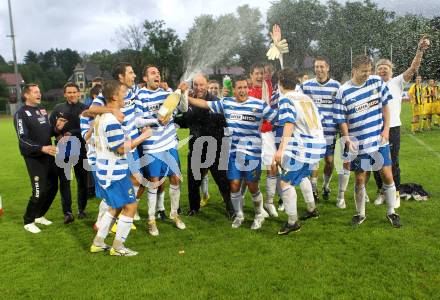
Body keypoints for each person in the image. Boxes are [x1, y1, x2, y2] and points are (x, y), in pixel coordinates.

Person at [188, 77, 277, 230]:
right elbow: (204, 104)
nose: (242, 90)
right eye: (239, 88)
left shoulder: (258, 104)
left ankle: (258, 214)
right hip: (233, 153)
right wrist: (184, 96)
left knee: (252, 186)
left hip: (252, 153)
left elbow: (277, 119)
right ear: (234, 90)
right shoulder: (226, 103)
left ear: (248, 89)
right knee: (234, 185)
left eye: (244, 87)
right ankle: (239, 215)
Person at [334, 55, 401, 228]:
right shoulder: (343, 90)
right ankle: (360, 214)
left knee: (387, 175)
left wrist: (386, 130)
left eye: (369, 71)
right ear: (354, 70)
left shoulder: (376, 82)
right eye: (364, 71)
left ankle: (392, 212)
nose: (367, 74)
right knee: (360, 179)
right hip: (359, 144)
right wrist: (347, 137)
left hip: (378, 141)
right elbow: (341, 118)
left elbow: (386, 106)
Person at [90, 80, 152, 256]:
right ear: (115, 96)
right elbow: (121, 148)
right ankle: (118, 247)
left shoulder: (103, 118)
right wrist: (143, 136)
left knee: (116, 207)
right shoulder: (110, 120)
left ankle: (98, 242)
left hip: (107, 170)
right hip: (114, 172)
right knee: (130, 207)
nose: (126, 95)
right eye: (123, 92)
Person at [373, 37, 429, 208]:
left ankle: (395, 192)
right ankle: (382, 192)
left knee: (393, 161)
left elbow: (413, 68)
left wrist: (419, 50)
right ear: (376, 71)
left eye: (386, 68)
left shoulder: (397, 81)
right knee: (376, 161)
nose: (383, 71)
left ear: (391, 70)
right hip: (374, 128)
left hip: (393, 127)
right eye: (380, 68)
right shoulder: (371, 84)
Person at [86, 62, 143, 230]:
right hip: (118, 146)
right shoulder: (110, 92)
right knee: (117, 185)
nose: (134, 76)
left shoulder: (132, 91)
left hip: (131, 144)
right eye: (131, 73)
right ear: (121, 76)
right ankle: (102, 220)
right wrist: (111, 111)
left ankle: (124, 214)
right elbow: (91, 110)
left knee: (135, 179)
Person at [136, 64, 187, 236]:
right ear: (145, 78)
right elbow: (137, 121)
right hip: (152, 144)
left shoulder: (167, 92)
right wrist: (156, 120)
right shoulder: (140, 95)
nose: (157, 75)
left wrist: (183, 93)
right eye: (152, 73)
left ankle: (174, 214)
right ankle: (151, 220)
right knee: (155, 181)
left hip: (169, 142)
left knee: (176, 178)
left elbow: (183, 109)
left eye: (158, 73)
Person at [274, 68, 326, 235]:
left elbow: (288, 124)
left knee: (285, 183)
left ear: (280, 83)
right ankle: (311, 210)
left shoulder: (286, 99)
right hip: (318, 144)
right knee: (302, 176)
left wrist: (281, 150)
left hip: (304, 148)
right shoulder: (305, 97)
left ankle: (292, 222)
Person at [175, 74, 233, 218]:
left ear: (207, 85)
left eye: (202, 85)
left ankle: (231, 209)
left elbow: (225, 125)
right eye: (196, 85)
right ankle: (194, 208)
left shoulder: (215, 102)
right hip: (196, 147)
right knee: (193, 181)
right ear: (193, 86)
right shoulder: (186, 102)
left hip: (216, 147)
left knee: (223, 181)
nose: (199, 88)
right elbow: (183, 122)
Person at [14, 84, 65, 233]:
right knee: (39, 190)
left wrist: (56, 128)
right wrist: (41, 148)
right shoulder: (20, 114)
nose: (39, 94)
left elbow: (47, 131)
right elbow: (22, 139)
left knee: (53, 187)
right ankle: (28, 221)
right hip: (34, 157)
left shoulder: (41, 110)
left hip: (48, 154)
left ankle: (39, 215)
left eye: (39, 92)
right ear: (26, 95)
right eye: (36, 92)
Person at [298, 57, 342, 204]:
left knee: (329, 161)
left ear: (327, 68)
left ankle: (325, 185)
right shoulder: (306, 86)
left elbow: (340, 108)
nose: (319, 70)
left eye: (322, 67)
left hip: (330, 131)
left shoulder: (336, 86)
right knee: (314, 161)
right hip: (313, 132)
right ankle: (314, 188)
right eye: (316, 67)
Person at [50, 82, 88, 223]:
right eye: (69, 92)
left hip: (81, 149)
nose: (72, 94)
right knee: (65, 181)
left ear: (79, 93)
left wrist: (72, 132)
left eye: (74, 92)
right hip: (63, 149)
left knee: (82, 181)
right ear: (65, 94)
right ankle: (67, 213)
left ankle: (81, 209)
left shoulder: (85, 108)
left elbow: (89, 129)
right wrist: (57, 133)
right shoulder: (58, 109)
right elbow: (52, 129)